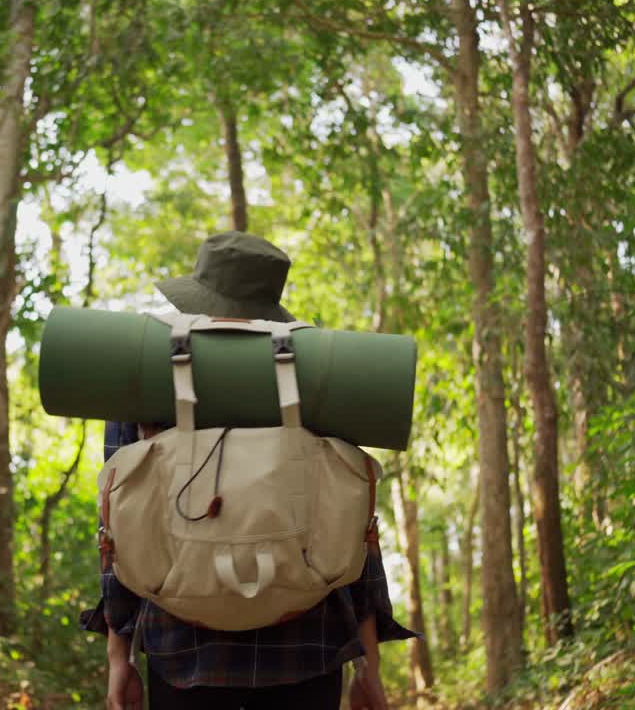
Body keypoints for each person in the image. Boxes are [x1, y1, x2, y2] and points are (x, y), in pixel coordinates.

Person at [79, 231, 416, 710]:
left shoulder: (146, 381)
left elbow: (115, 528)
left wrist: (120, 657)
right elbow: (359, 528)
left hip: (180, 650)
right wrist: (369, 665)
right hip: (307, 646)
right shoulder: (317, 378)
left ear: (198, 297)